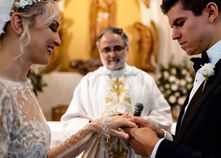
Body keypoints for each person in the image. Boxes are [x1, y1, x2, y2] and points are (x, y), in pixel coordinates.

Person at [0, 0, 137, 157]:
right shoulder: (2, 92)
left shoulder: (22, 88)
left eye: (117, 48)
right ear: (19, 23)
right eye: (52, 27)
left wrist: (98, 125)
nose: (58, 41)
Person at [126, 0, 221, 158]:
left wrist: (157, 149)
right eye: (172, 27)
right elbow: (204, 143)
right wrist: (163, 137)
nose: (174, 35)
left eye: (180, 23)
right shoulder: (209, 63)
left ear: (211, 12)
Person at [61, 27, 172, 157]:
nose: (112, 55)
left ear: (127, 48)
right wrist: (97, 125)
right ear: (100, 52)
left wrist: (140, 123)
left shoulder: (143, 79)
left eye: (117, 48)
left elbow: (163, 117)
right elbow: (71, 121)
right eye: (106, 50)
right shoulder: (89, 81)